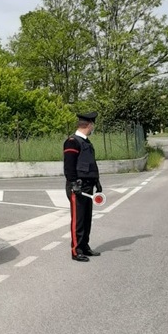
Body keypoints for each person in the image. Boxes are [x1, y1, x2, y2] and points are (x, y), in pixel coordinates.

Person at [63, 112, 103, 262]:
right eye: (93, 125)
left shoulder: (86, 142)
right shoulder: (72, 141)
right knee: (78, 220)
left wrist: (97, 182)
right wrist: (73, 183)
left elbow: (91, 164)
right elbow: (69, 166)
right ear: (89, 125)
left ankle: (85, 246)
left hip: (88, 186)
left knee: (87, 218)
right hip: (77, 187)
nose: (93, 128)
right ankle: (76, 250)